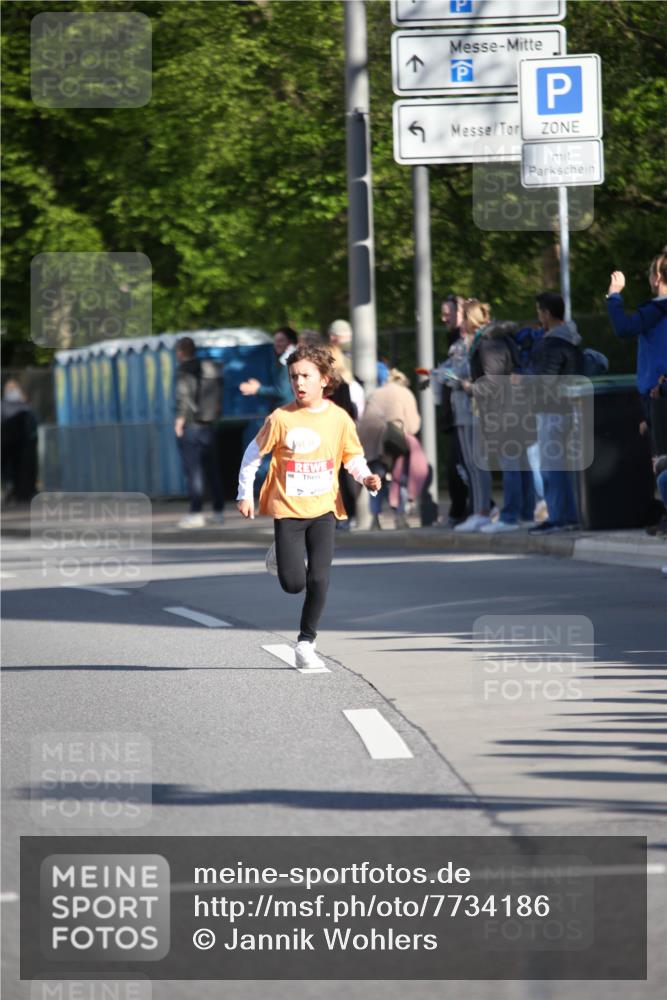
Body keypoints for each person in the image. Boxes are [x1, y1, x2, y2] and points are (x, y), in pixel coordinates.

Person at [236, 344, 381, 669]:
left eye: (306, 376)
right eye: (294, 376)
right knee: (293, 584)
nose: (299, 383)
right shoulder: (281, 418)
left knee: (319, 579)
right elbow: (252, 456)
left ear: (324, 380)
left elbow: (352, 457)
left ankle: (306, 642)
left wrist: (367, 477)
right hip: (288, 509)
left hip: (324, 509)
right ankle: (281, 554)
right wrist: (245, 493)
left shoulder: (338, 418)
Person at [466, 316, 535, 533]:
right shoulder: (507, 341)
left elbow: (493, 383)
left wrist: (468, 387)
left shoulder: (489, 344)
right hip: (519, 409)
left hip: (503, 413)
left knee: (511, 464)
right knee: (522, 465)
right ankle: (525, 513)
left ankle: (510, 516)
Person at [527, 292, 582, 534]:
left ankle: (561, 516)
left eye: (540, 311)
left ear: (547, 314)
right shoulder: (570, 338)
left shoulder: (554, 343)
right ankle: (564, 514)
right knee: (557, 466)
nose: (538, 316)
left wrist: (523, 380)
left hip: (552, 410)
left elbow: (545, 379)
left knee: (552, 467)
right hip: (566, 407)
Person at [606, 250, 667, 431]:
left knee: (660, 454)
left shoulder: (656, 309)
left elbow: (624, 328)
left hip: (658, 392)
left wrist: (614, 295)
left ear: (656, 278)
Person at [357, 368, 423, 530]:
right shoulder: (406, 393)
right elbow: (413, 425)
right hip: (394, 440)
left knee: (376, 477)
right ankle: (400, 515)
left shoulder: (375, 393)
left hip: (370, 440)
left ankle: (375, 517)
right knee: (398, 478)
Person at [450, 300, 494, 532]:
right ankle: (478, 509)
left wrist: (457, 377)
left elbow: (478, 372)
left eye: (463, 317)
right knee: (470, 463)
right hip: (463, 406)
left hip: (475, 406)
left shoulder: (482, 341)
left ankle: (483, 510)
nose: (460, 323)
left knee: (479, 462)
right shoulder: (465, 342)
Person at [174, 336, 224, 528]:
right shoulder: (206, 369)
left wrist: (179, 421)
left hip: (191, 425)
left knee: (193, 471)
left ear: (180, 352)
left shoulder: (184, 370)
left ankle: (196, 512)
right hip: (208, 425)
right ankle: (218, 511)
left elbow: (183, 397)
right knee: (212, 469)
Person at [439, 294, 470, 527]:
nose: (443, 318)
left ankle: (468, 510)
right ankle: (464, 510)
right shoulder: (453, 340)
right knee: (459, 465)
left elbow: (462, 375)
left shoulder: (465, 342)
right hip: (456, 411)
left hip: (468, 411)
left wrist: (443, 375)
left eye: (448, 313)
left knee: (462, 466)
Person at [239, 326, 298, 410]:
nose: (276, 344)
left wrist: (257, 389)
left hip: (287, 410)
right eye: (275, 341)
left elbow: (282, 391)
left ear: (290, 342)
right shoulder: (283, 358)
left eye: (281, 341)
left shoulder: (287, 360)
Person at [1, 379, 38, 503]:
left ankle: (12, 487)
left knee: (9, 469)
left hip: (7, 443)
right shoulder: (24, 407)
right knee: (20, 468)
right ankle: (19, 491)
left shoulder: (4, 406)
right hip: (20, 444)